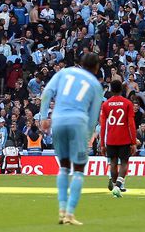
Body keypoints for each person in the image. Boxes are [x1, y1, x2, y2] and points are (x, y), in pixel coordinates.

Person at [39, 52, 104, 226]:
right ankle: (69, 213)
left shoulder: (64, 72)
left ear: (81, 63)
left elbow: (47, 93)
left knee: (64, 166)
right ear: (97, 68)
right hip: (79, 123)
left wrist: (43, 117)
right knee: (79, 169)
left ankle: (60, 210)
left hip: (58, 121)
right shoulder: (96, 86)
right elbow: (93, 115)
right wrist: (89, 136)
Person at [98, 79, 136, 197]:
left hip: (111, 138)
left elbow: (103, 125)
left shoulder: (105, 104)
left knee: (113, 163)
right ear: (121, 89)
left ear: (111, 90)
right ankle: (118, 186)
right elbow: (131, 124)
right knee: (124, 162)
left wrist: (102, 144)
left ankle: (115, 186)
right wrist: (133, 142)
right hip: (124, 138)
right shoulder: (127, 103)